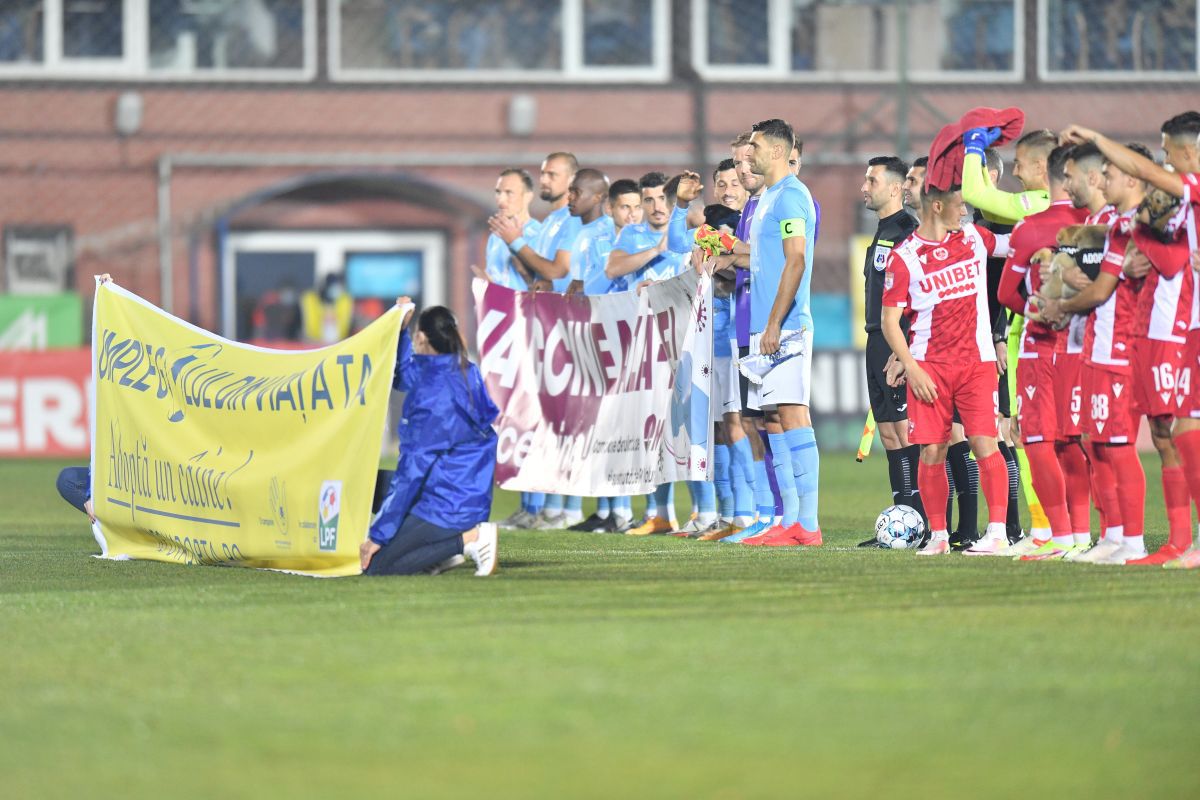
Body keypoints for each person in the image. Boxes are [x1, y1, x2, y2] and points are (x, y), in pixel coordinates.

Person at [1062, 111, 1200, 567]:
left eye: (1110, 173)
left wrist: (1100, 136)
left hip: (1168, 332)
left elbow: (1170, 260)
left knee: (1178, 431)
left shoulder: (1174, 202)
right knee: (1164, 435)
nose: (1104, 181)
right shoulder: (1131, 224)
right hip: (1147, 335)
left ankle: (1171, 539)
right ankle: (1175, 540)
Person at [881, 185, 1013, 556]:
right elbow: (890, 321)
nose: (966, 209)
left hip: (977, 363)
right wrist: (911, 367)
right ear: (937, 207)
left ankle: (998, 532)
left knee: (985, 443)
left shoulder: (973, 237)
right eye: (960, 204)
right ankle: (938, 537)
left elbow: (1015, 245)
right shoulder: (904, 257)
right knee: (932, 451)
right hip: (929, 369)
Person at [1038, 144, 1154, 564]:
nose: (1066, 184)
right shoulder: (1097, 224)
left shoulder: (1131, 224)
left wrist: (1066, 295)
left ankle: (1131, 539)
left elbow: (1106, 285)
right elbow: (1094, 280)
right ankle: (1113, 534)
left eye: (1070, 176)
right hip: (1091, 344)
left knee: (1116, 442)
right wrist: (1061, 283)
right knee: (1095, 441)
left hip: (1120, 345)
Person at [991, 143, 1090, 559]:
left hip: (1039, 347)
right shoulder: (1096, 224)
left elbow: (1006, 293)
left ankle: (1060, 536)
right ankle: (1083, 536)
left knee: (1039, 442)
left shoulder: (1030, 228)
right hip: (1083, 345)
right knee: (1075, 441)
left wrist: (1037, 310)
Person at [361, 300, 499, 577]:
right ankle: (438, 552)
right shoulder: (460, 369)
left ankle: (467, 540)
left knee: (377, 568)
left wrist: (377, 536)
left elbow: (411, 473)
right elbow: (404, 375)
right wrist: (401, 330)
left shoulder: (432, 397)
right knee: (366, 485)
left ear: (422, 338)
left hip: (449, 502)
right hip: (460, 485)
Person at [737, 118, 822, 547]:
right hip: (764, 327)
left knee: (792, 414)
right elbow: (766, 257)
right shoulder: (769, 197)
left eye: (753, 146)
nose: (747, 153)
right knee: (773, 419)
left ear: (774, 151)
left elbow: (796, 261)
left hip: (784, 326)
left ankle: (807, 523)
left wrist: (774, 322)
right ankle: (789, 519)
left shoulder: (791, 197)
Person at [857, 155, 921, 546]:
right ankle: (904, 518)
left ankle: (923, 520)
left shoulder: (906, 231)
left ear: (896, 188)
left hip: (897, 339)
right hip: (875, 338)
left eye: (872, 180)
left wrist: (904, 350)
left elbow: (915, 293)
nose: (865, 187)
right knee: (888, 433)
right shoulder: (883, 231)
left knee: (906, 431)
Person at [480, 167, 542, 290]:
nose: (501, 200)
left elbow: (543, 287)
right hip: (496, 307)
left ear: (528, 197)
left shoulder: (540, 235)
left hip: (524, 307)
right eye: (498, 192)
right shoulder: (494, 237)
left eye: (509, 193)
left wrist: (514, 244)